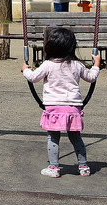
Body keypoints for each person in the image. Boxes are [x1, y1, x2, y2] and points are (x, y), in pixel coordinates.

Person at [21, 26, 101, 178]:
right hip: (73, 108)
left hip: (54, 108)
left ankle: (54, 167)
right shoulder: (77, 65)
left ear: (50, 47)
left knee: (53, 137)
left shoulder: (48, 65)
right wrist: (96, 64)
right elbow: (91, 77)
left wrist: (25, 69)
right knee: (76, 138)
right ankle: (83, 167)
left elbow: (33, 77)